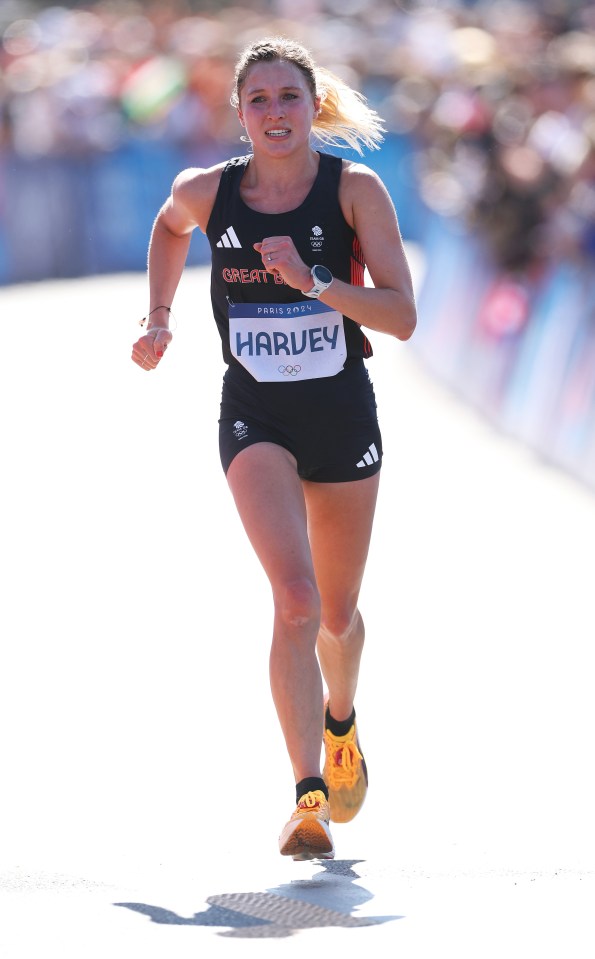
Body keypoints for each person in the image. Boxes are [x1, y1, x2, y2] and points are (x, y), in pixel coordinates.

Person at [131, 36, 416, 860]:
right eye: (257, 100)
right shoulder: (208, 192)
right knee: (292, 598)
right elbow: (167, 223)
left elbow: (400, 316)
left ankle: (341, 718)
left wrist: (316, 283)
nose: (274, 114)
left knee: (334, 612)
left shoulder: (353, 189)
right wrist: (158, 319)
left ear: (312, 104)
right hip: (254, 414)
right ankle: (306, 797)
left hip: (341, 414)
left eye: (288, 97)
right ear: (239, 114)